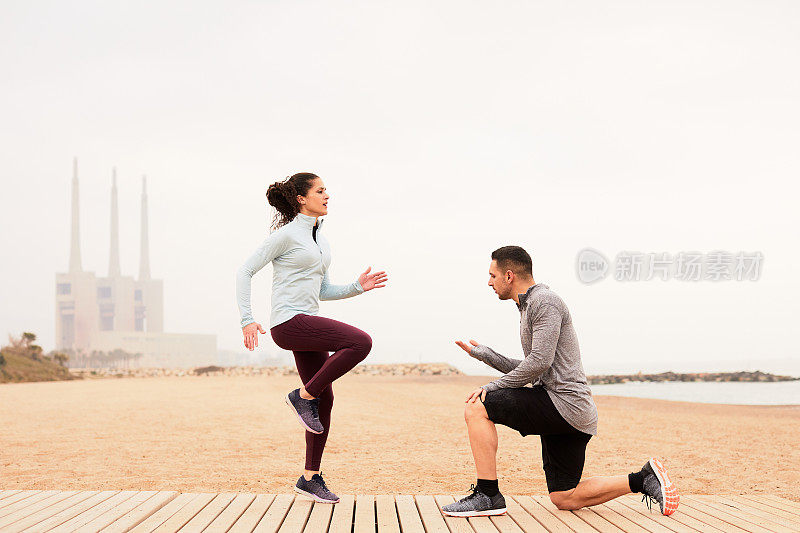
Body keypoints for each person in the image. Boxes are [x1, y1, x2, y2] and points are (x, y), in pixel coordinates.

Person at [442, 246, 679, 517]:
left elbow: (539, 363)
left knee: (477, 405)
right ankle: (644, 479)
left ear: (509, 276)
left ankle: (488, 494)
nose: (489, 282)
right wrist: (486, 355)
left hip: (562, 404)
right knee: (564, 497)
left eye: (492, 275)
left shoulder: (544, 301)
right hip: (572, 412)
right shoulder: (530, 304)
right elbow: (537, 366)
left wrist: (491, 386)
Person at [236, 172, 388, 504]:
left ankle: (310, 477)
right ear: (302, 199)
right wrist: (248, 319)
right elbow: (245, 270)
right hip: (289, 323)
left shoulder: (320, 239)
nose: (327, 195)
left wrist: (357, 288)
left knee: (326, 401)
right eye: (320, 191)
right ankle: (302, 395)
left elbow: (322, 291)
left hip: (307, 322)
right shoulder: (287, 235)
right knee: (360, 342)